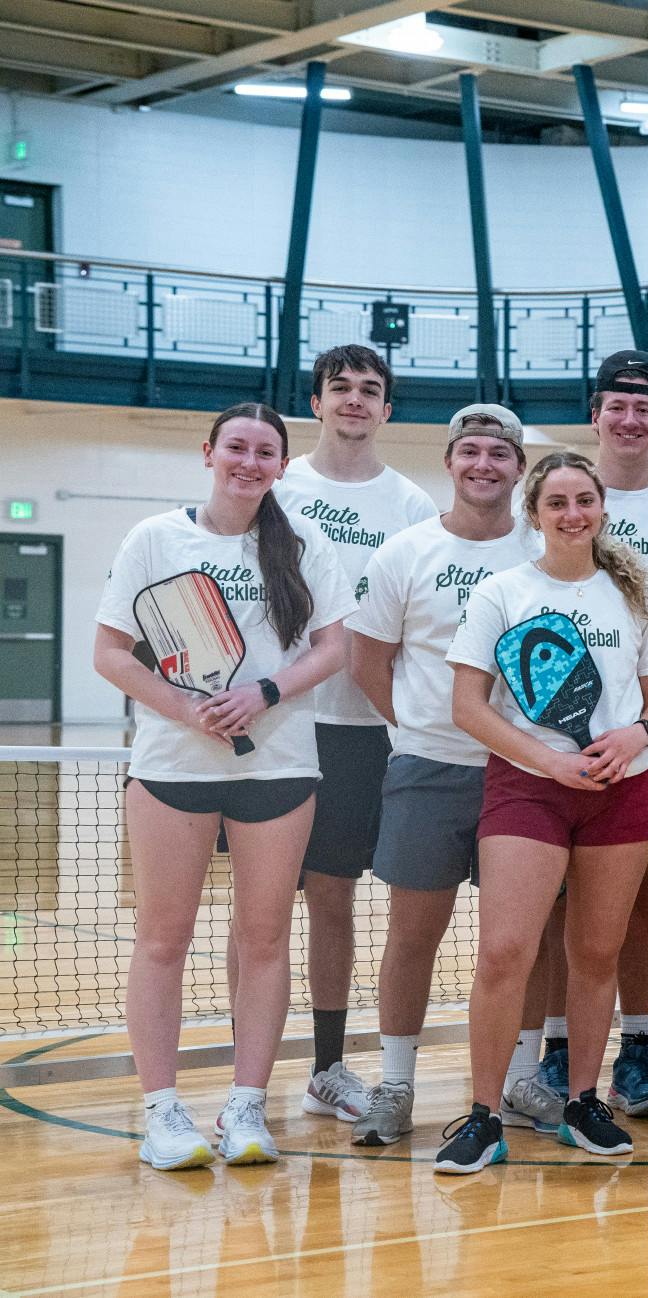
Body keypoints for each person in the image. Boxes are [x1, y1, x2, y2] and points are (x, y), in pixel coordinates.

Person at [95, 402, 353, 1169]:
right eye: (235, 447)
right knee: (162, 940)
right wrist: (184, 708)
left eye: (264, 451)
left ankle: (246, 1107)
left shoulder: (304, 543)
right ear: (209, 452)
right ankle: (162, 1112)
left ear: (281, 464)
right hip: (172, 768)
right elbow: (112, 653)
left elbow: (333, 647)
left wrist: (263, 694)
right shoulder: (154, 537)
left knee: (265, 940)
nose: (249, 461)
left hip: (278, 768)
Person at [436, 451, 648, 1174]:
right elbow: (467, 707)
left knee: (596, 955)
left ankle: (581, 1103)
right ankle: (484, 1115)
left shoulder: (639, 596)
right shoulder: (502, 592)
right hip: (527, 789)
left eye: (584, 501)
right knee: (506, 951)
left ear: (602, 508)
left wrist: (638, 734)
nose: (573, 515)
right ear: (534, 514)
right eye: (557, 503)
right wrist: (548, 760)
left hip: (624, 789)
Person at [528, 351, 648, 1125]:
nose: (631, 419)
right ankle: (554, 1049)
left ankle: (640, 1050)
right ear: (597, 413)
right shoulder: (557, 501)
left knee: (643, 893)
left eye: (645, 407)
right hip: (553, 746)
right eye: (617, 405)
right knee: (553, 902)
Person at [343, 405, 536, 1146]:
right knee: (413, 935)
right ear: (450, 463)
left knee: (526, 940)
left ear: (519, 468)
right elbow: (368, 660)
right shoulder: (404, 553)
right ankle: (395, 1085)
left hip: (525, 776)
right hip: (427, 770)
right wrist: (419, 725)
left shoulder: (542, 550)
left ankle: (521, 1079)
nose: (484, 464)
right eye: (471, 452)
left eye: (499, 454)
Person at [273, 345, 437, 1125]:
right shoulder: (280, 485)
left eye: (370, 391)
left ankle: (354, 1067)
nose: (355, 400)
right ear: (316, 402)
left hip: (376, 728)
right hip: (289, 725)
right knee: (291, 901)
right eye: (341, 388)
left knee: (370, 900)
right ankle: (303, 1070)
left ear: (387, 410)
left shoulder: (408, 503)